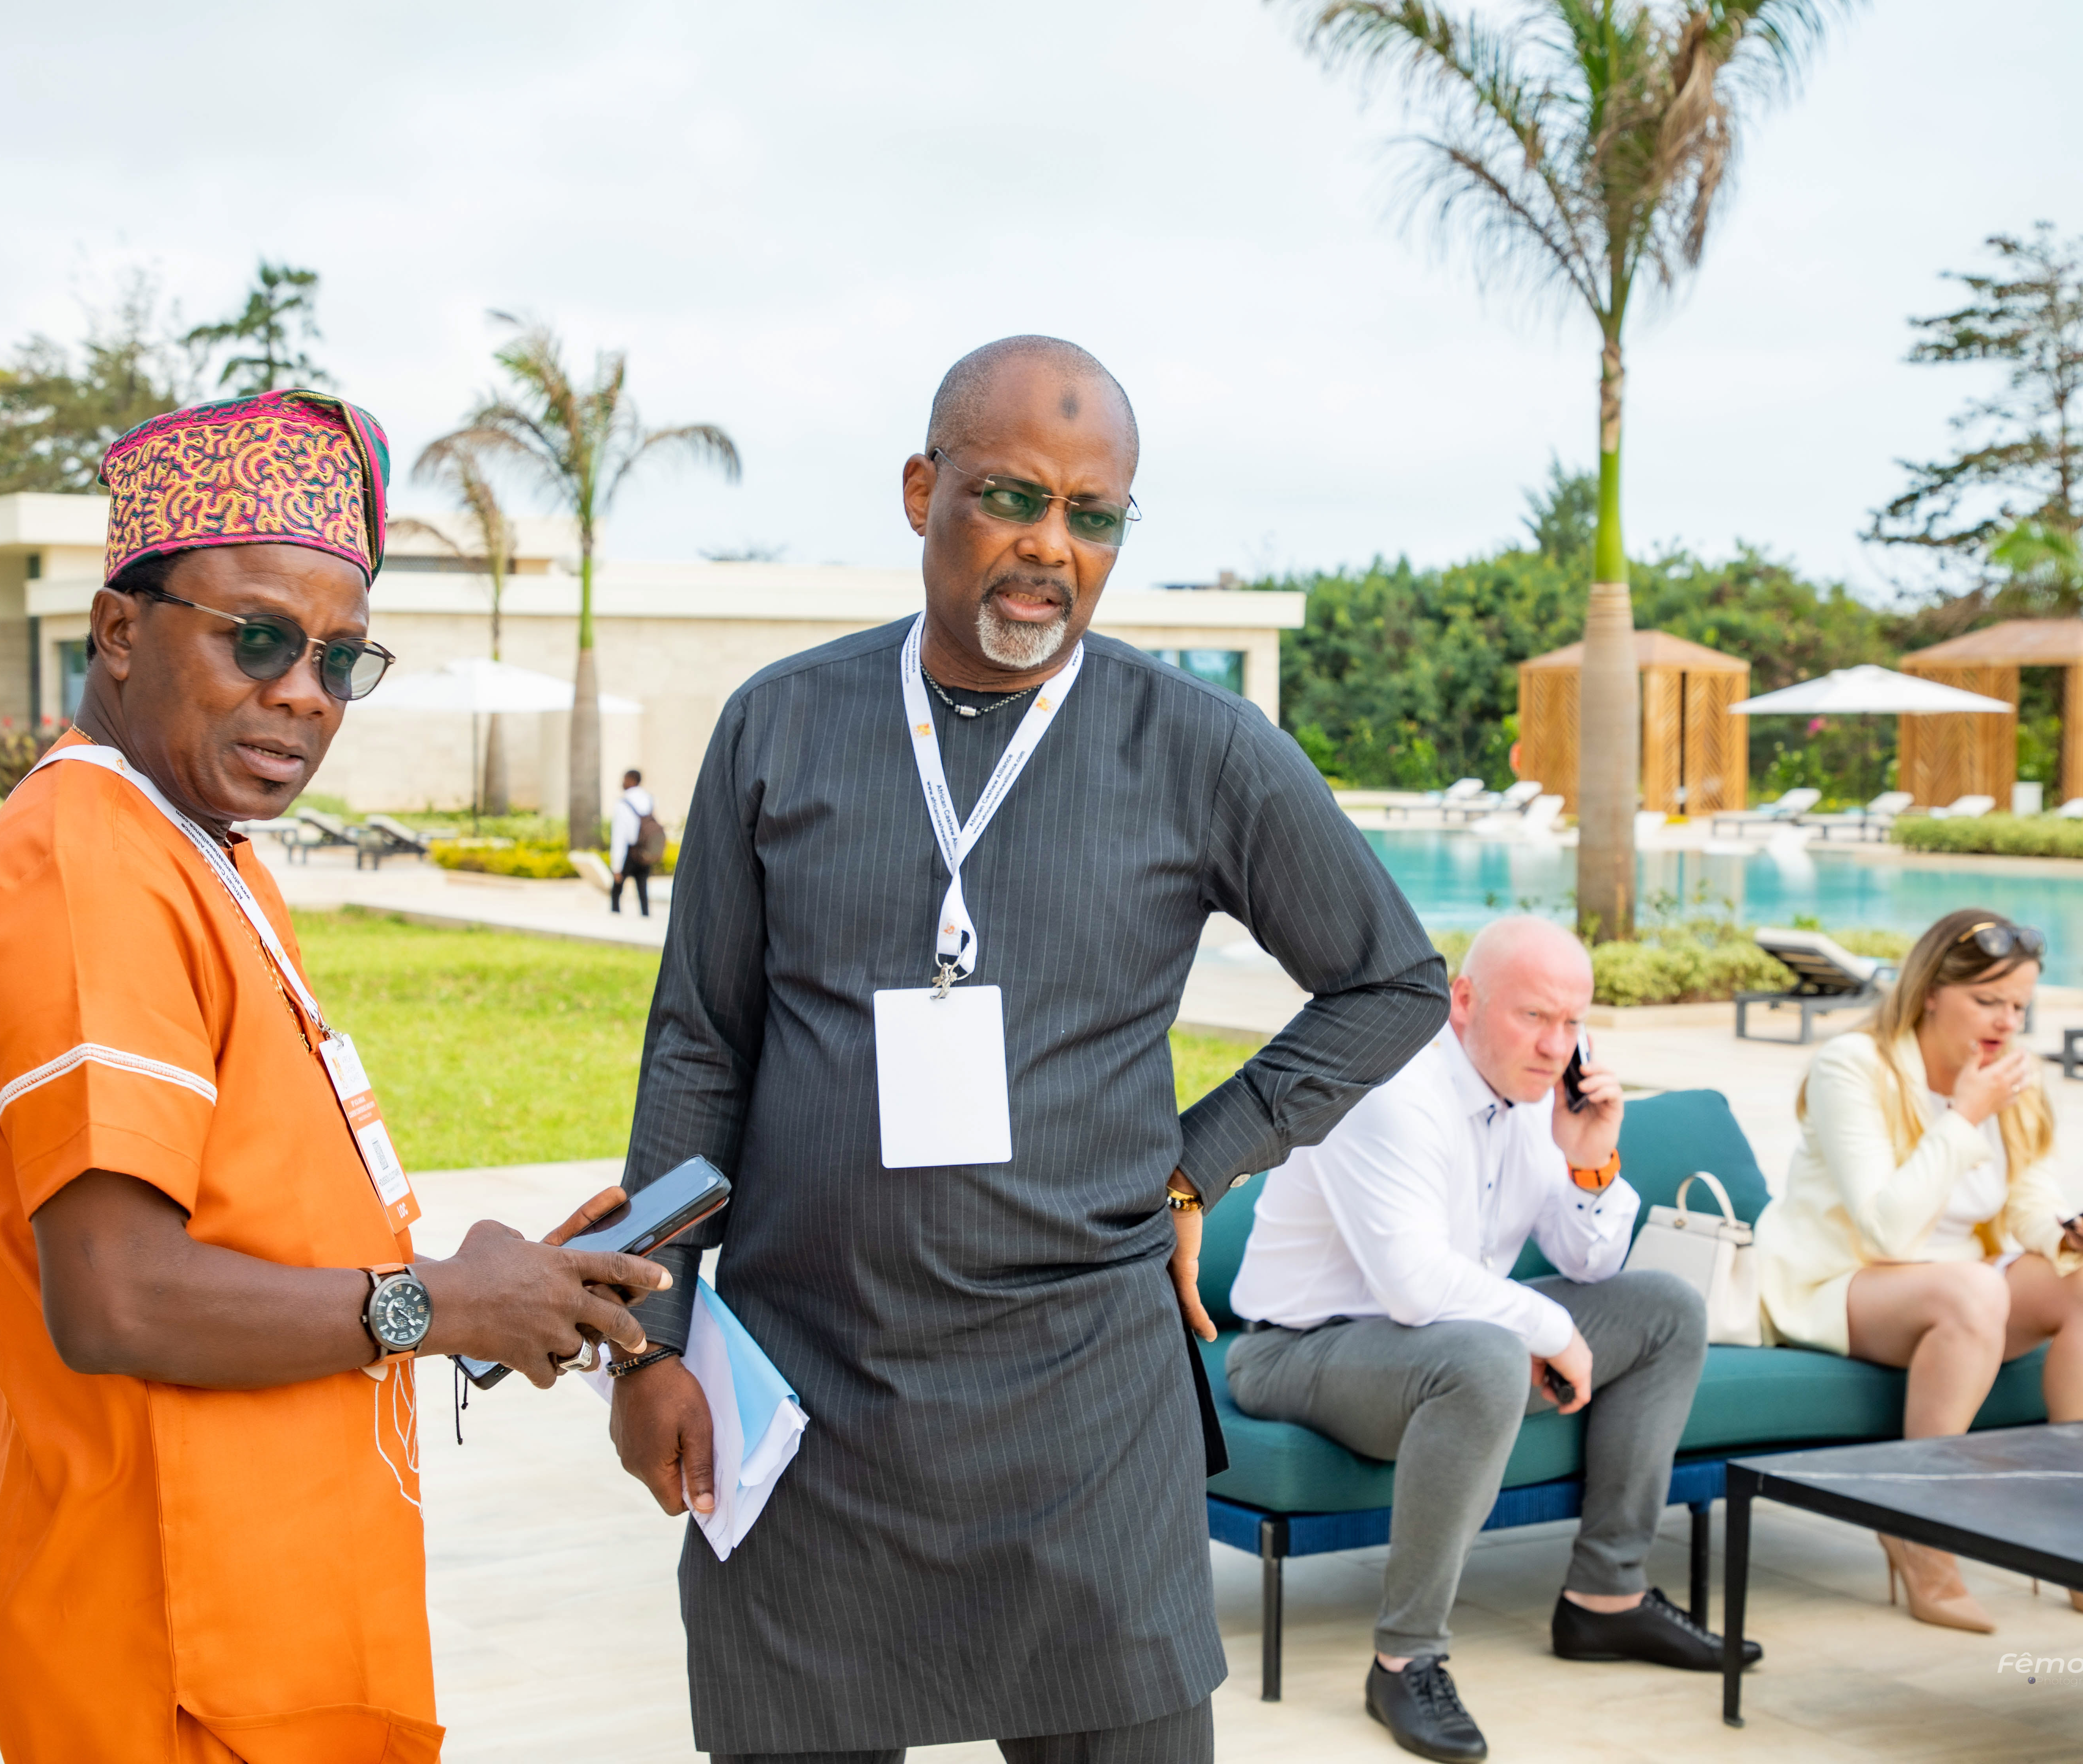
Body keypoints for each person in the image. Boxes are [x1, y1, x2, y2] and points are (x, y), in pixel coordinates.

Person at [602, 335, 1451, 1763]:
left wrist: (1195, 1161)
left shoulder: (1199, 748)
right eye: (1011, 496)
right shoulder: (778, 726)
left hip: (1084, 1420)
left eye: (1092, 514)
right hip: (812, 1407)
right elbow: (699, 1044)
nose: (1050, 546)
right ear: (920, 490)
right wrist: (650, 1338)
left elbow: (1391, 980)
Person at [0, 389, 668, 1763]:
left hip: (264, 1608)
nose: (303, 694)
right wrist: (438, 1303)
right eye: (257, 638)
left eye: (339, 658)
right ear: (119, 629)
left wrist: (491, 1288)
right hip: (171, 1633)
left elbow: (251, 1218)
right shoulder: (89, 871)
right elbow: (118, 1295)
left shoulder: (194, 844)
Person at [1226, 916, 1759, 1764]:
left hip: (1448, 1339)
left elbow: (1590, 1262)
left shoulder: (1534, 1097)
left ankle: (1606, 1598)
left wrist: (1591, 1162)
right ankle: (1406, 1659)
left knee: (1665, 1308)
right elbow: (1414, 1284)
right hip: (1300, 1352)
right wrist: (1550, 1330)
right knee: (1485, 1356)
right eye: (1535, 1016)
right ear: (1463, 1000)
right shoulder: (1392, 1091)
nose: (1556, 1046)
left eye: (1573, 1022)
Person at [1755, 906, 2083, 1633]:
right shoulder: (1853, 1066)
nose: (2006, 1023)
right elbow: (1887, 1229)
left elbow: (2028, 1200)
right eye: (1988, 1001)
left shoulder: (2011, 1078)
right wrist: (1964, 1116)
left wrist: (2071, 1234)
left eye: (2019, 1006)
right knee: (1974, 1289)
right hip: (1842, 1284)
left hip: (1961, 1288)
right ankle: (1918, 1527)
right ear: (1931, 991)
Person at [611, 767, 658, 915]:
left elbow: (619, 835)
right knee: (643, 889)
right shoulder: (649, 799)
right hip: (645, 851)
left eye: (625, 780)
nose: (623, 783)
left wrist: (616, 866)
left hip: (629, 852)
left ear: (631, 780)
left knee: (617, 891)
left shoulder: (623, 803)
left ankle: (615, 917)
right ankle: (646, 916)